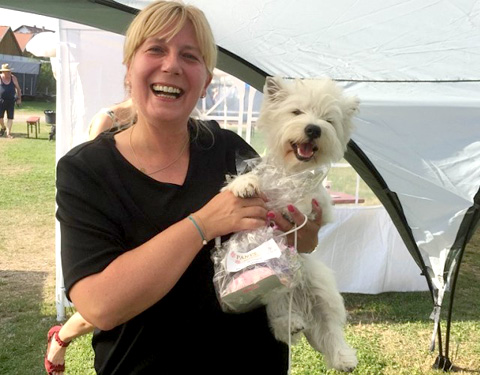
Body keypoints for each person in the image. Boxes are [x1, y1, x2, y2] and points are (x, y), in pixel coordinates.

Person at [54, 1, 322, 374]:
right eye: (155, 49)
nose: (172, 65)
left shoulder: (229, 148)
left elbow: (298, 243)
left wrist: (302, 231)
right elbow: (100, 305)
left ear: (205, 82)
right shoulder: (86, 171)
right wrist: (204, 223)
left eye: (190, 56)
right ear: (129, 68)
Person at [45, 99, 137, 375]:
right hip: (119, 224)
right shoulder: (107, 121)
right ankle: (59, 339)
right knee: (111, 304)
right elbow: (97, 177)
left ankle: (60, 338)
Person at [0, 63, 22, 138]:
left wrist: (19, 99)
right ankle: (3, 127)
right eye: (7, 71)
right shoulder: (0, 78)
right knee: (0, 118)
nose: (9, 73)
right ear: (3, 72)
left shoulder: (13, 78)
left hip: (11, 101)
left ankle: (8, 134)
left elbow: (18, 89)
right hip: (1, 101)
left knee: (10, 117)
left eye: (9, 71)